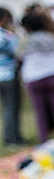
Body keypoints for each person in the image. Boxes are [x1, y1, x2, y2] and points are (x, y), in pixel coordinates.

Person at [19, 10, 54, 143]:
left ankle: (44, 139)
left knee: (40, 111)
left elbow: (19, 55)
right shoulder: (51, 37)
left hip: (34, 77)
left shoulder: (27, 41)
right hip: (53, 74)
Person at [0, 7, 25, 146]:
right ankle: (13, 138)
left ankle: (10, 136)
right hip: (9, 74)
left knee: (6, 107)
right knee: (12, 106)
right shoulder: (6, 36)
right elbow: (18, 51)